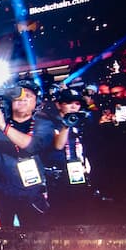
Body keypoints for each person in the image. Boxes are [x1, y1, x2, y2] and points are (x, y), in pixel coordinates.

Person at [0, 81, 54, 227]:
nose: (23, 99)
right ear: (10, 101)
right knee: (2, 239)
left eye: (28, 96)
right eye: (18, 97)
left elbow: (32, 146)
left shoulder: (43, 123)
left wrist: (3, 126)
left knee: (35, 238)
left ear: (36, 101)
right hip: (0, 194)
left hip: (31, 194)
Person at [43, 88, 91, 224]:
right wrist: (66, 124)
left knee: (82, 214)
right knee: (62, 218)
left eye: (77, 103)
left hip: (78, 173)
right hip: (58, 177)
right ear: (59, 104)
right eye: (69, 103)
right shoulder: (48, 123)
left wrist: (85, 161)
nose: (74, 107)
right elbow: (58, 145)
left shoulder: (80, 121)